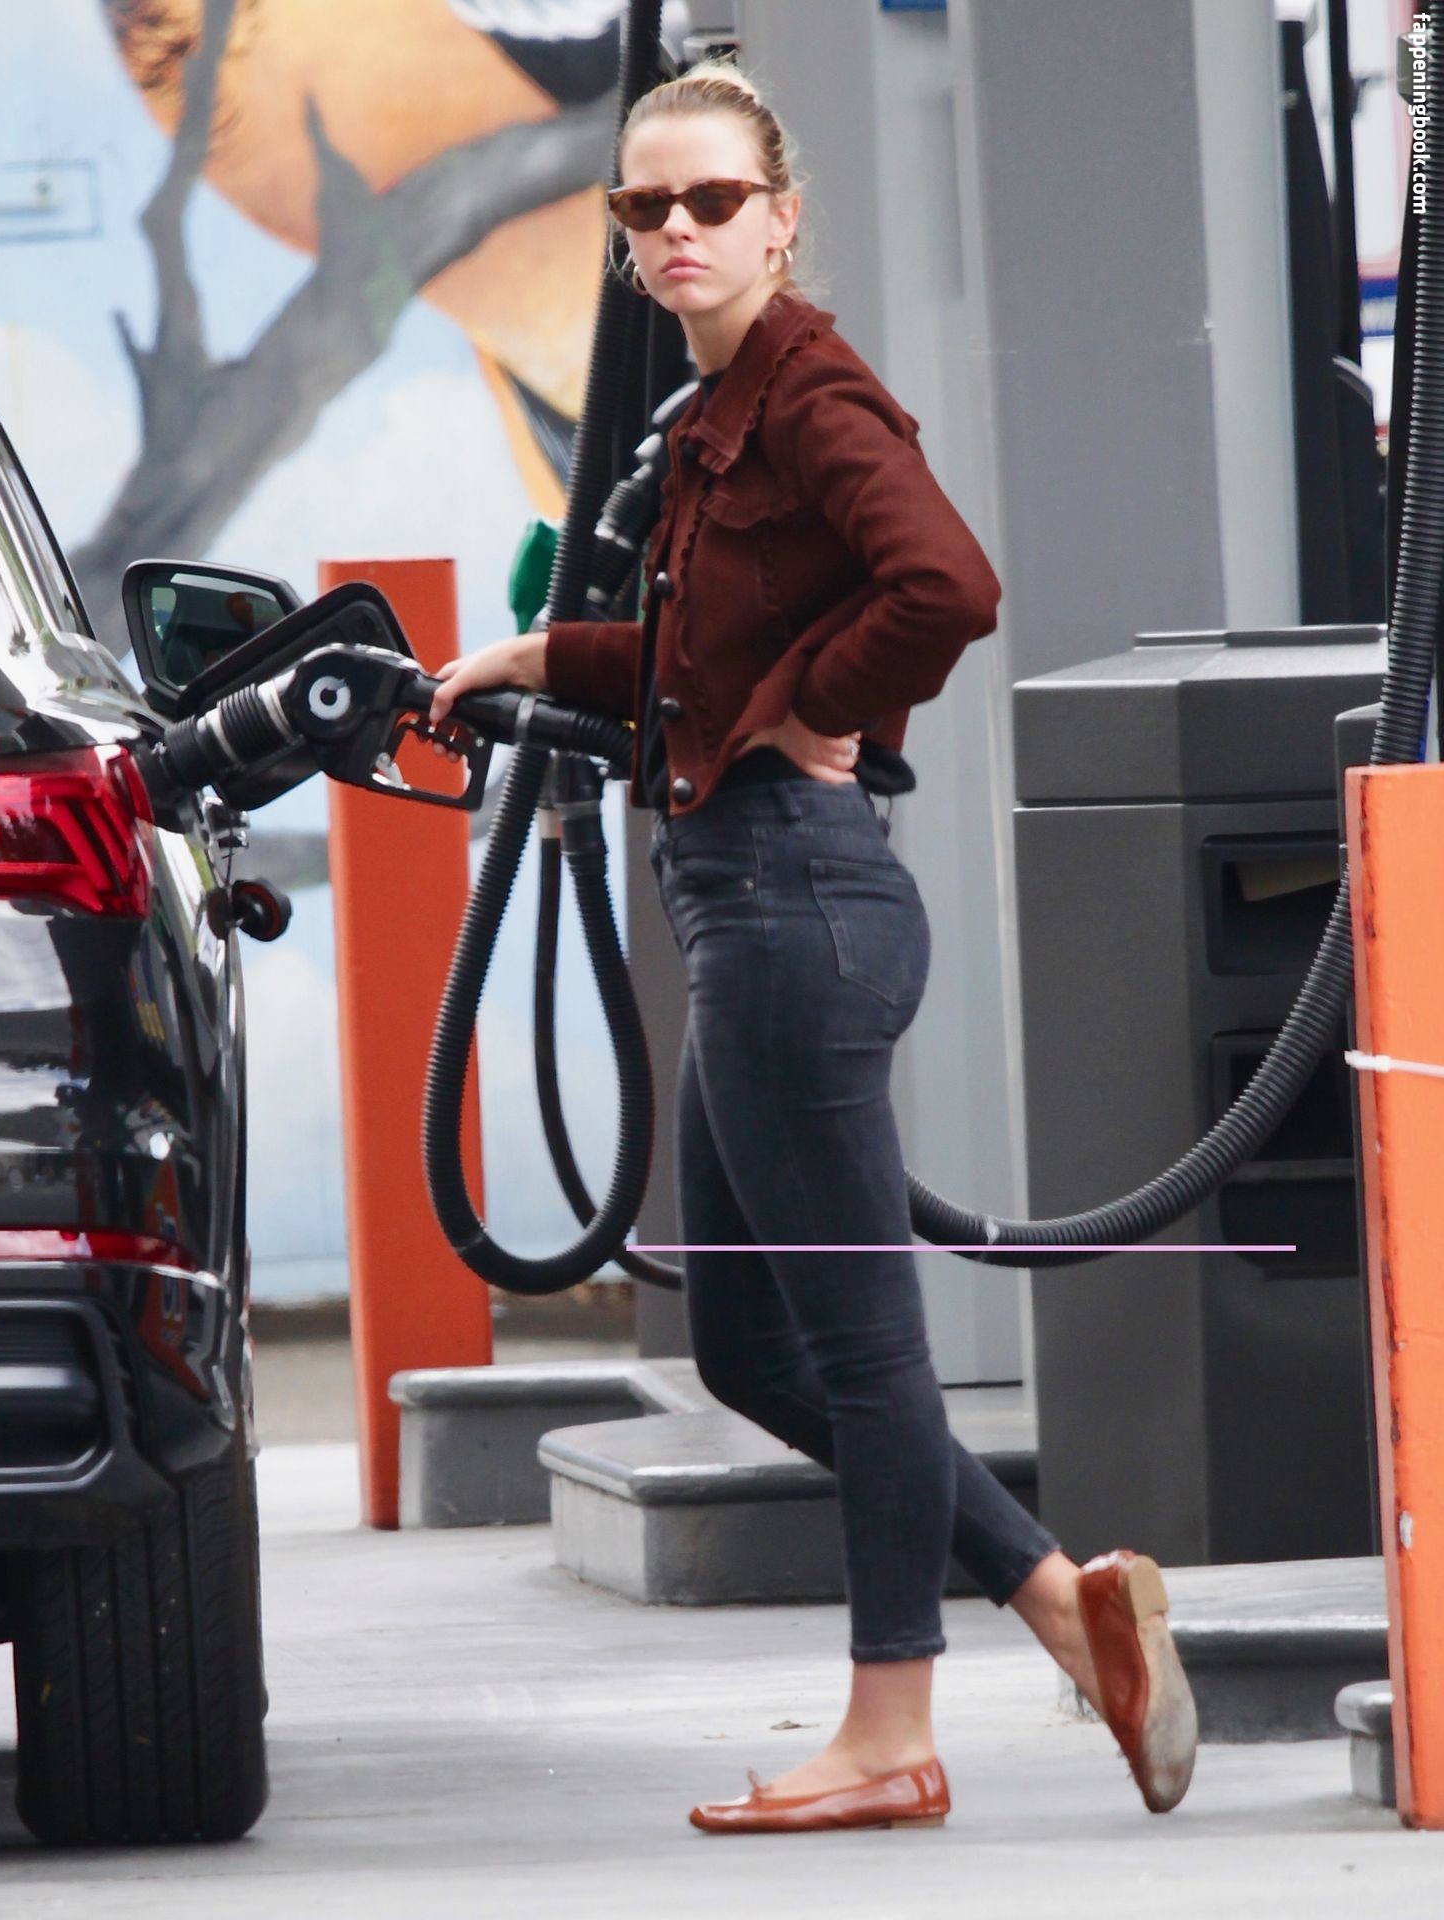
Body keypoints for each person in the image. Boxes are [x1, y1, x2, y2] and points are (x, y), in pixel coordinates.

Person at [430, 59, 1198, 1838]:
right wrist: (538, 659)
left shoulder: (811, 394)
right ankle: (1064, 1607)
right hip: (748, 903)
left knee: (859, 1346)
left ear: (780, 219)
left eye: (712, 201)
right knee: (750, 1352)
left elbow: (950, 584)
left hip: (796, 904)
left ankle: (891, 1730)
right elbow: (704, 660)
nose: (678, 231)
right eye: (644, 208)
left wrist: (813, 707)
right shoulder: (718, 414)